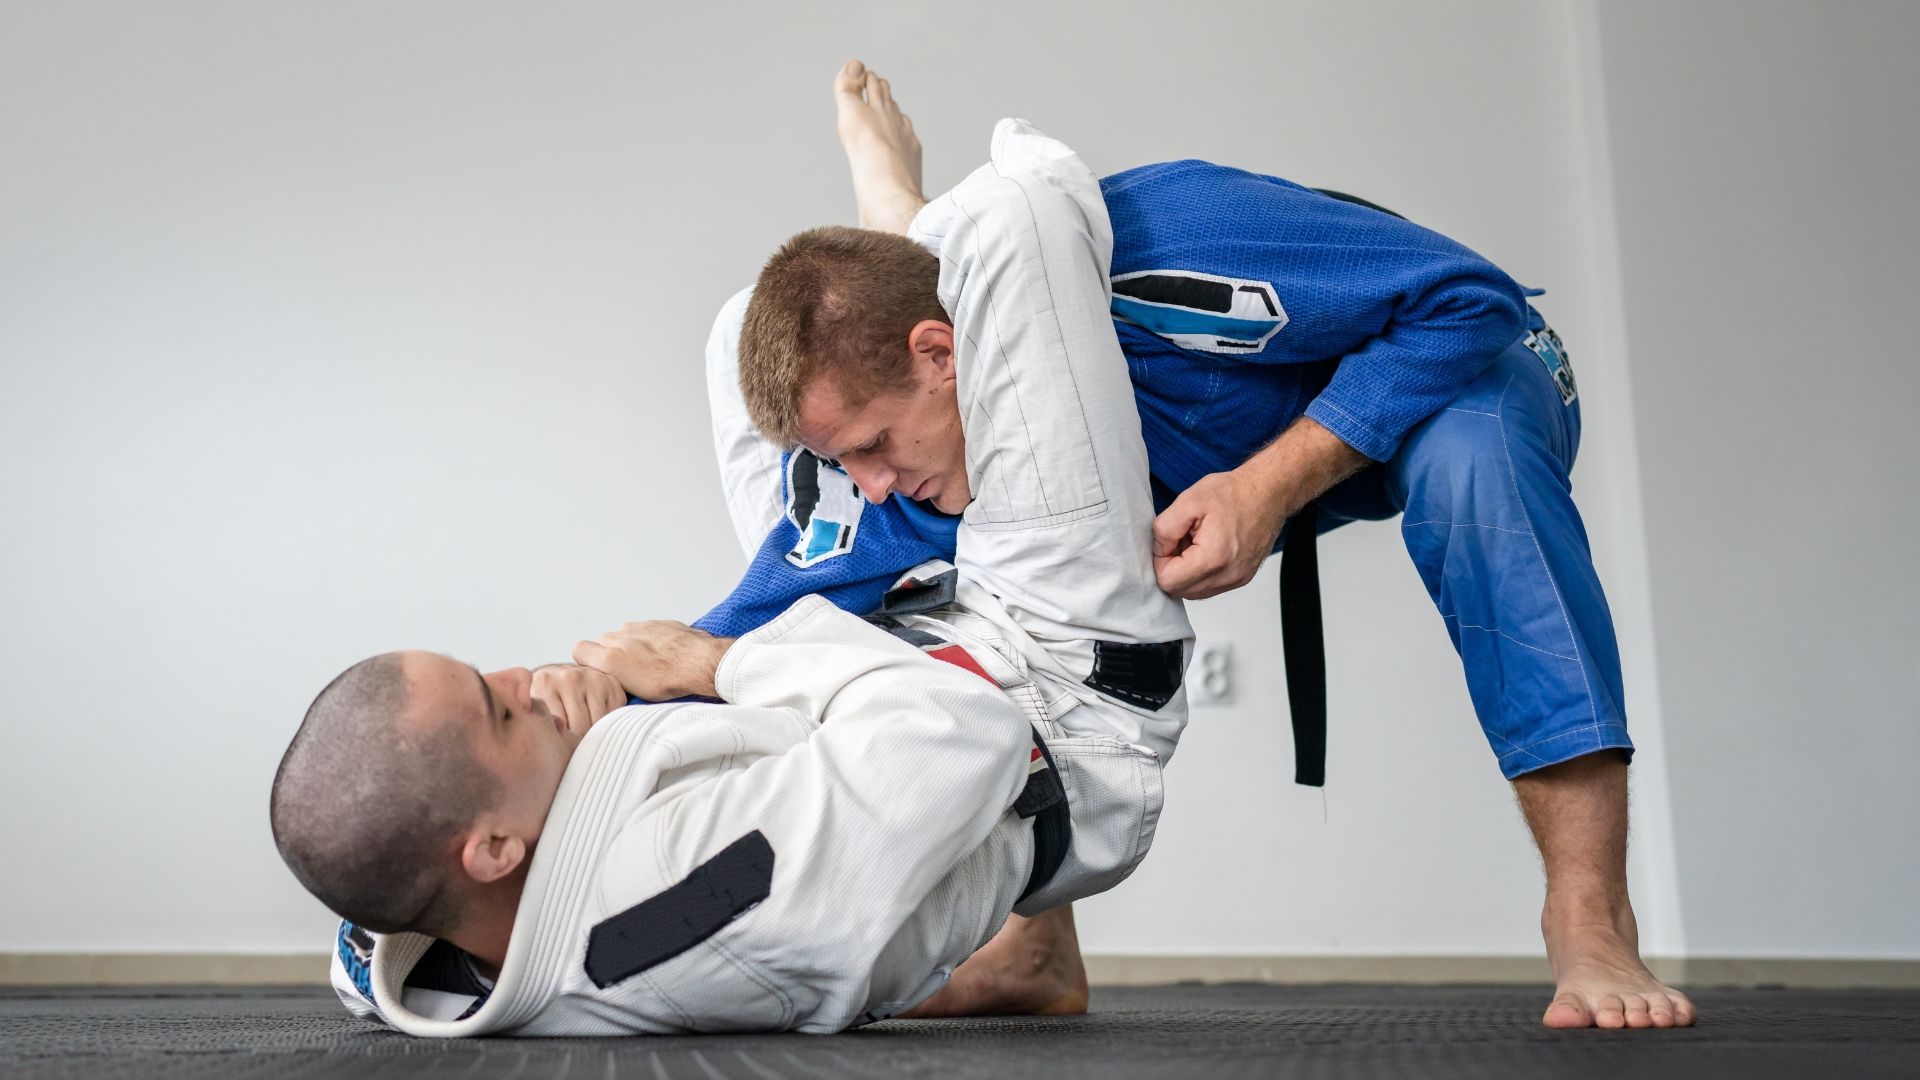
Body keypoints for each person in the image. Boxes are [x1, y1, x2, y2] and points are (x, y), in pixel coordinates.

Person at [705, 60, 1693, 1030]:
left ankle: (1590, 917)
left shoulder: (1174, 236)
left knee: (1470, 468)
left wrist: (1267, 484)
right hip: (1231, 441)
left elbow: (1474, 302)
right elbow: (790, 606)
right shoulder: (946, 439)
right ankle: (1034, 945)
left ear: (938, 354)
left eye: (874, 444)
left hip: (1453, 368)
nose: (870, 480)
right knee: (960, 585)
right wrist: (595, 696)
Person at [278, 591, 1182, 1036]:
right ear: (492, 849)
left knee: (741, 346)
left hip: (897, 705)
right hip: (1060, 735)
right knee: (1014, 240)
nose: (525, 677)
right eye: (500, 708)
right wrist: (713, 663)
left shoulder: (397, 943)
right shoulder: (691, 896)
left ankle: (1011, 964)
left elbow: (360, 863)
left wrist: (565, 722)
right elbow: (965, 728)